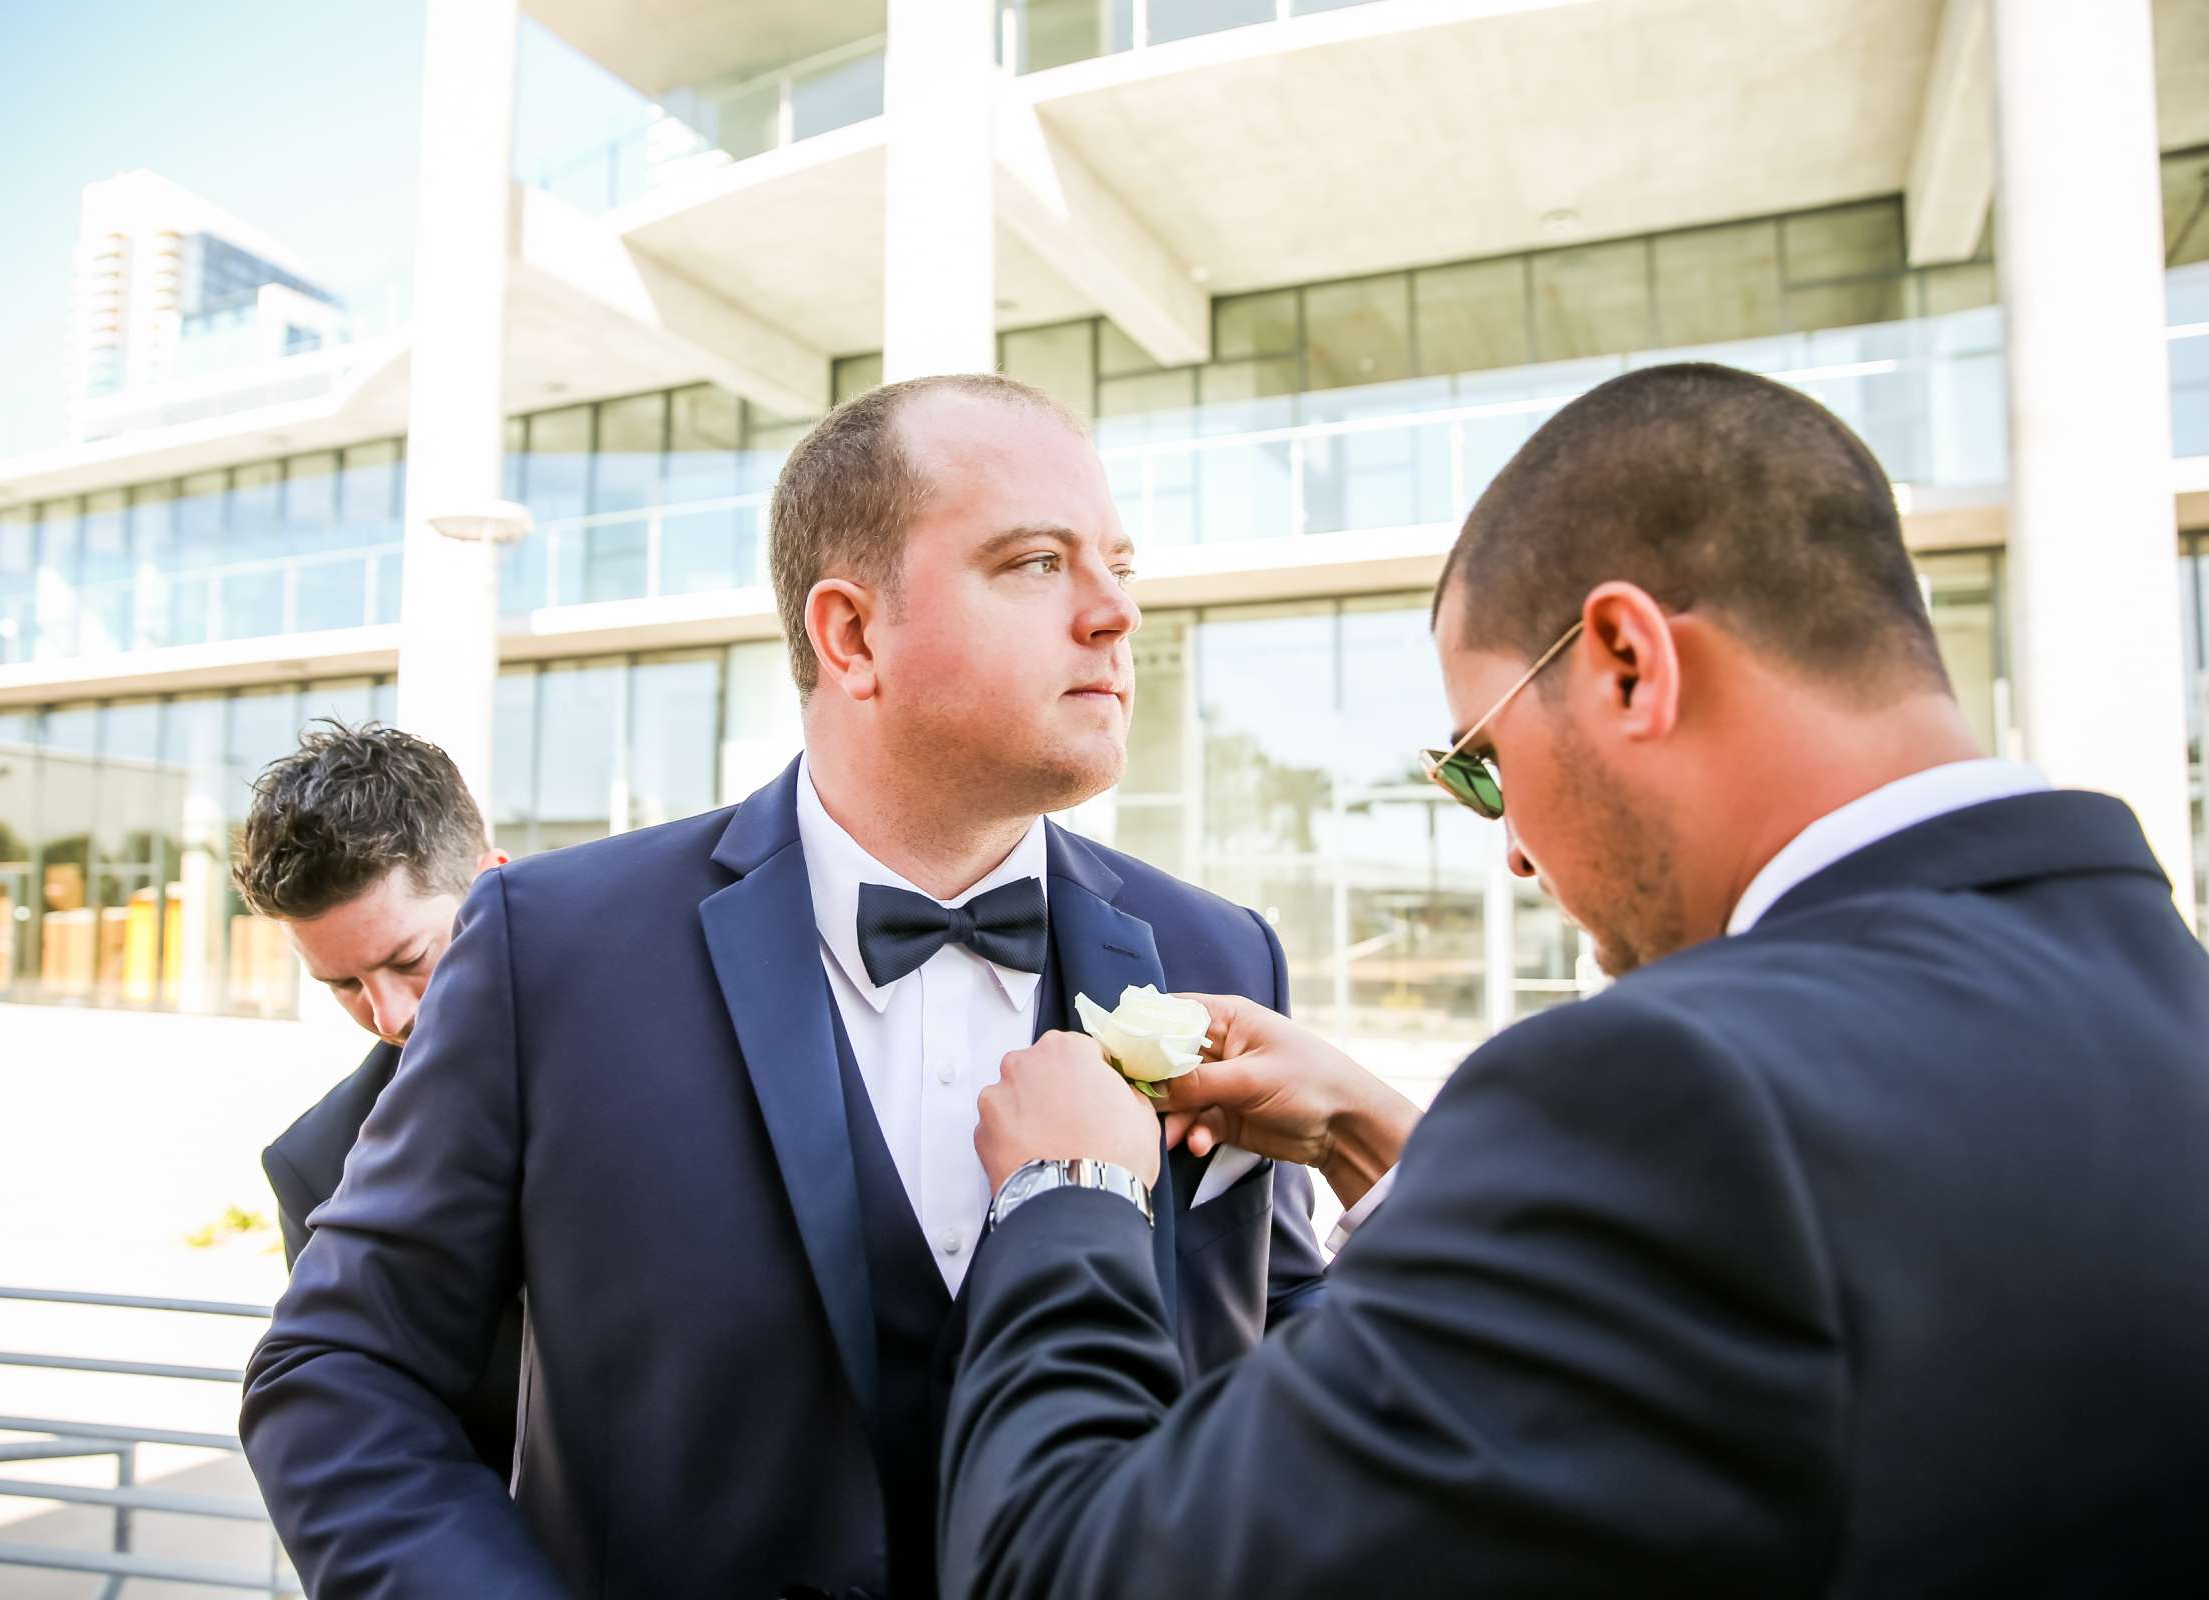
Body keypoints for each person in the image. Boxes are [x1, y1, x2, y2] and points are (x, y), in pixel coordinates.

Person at [940, 362, 2209, 1596]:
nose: (1514, 853)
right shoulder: (2160, 997)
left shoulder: (1660, 1091)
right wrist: (1378, 1137)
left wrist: (1071, 1189)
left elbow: (1071, 1566)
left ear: (1626, 663)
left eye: (1483, 761)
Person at [241, 373, 1327, 1599]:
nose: (1116, 612)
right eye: (1035, 562)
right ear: (850, 633)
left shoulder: (1220, 954)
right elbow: (338, 1366)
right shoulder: (553, 948)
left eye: (1118, 564)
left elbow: (1289, 1365)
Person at [230, 719, 522, 1482]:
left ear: (496, 884)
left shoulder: (671, 1029)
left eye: (410, 959)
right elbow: (381, 1435)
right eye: (345, 985)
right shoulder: (318, 1165)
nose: (391, 1017)